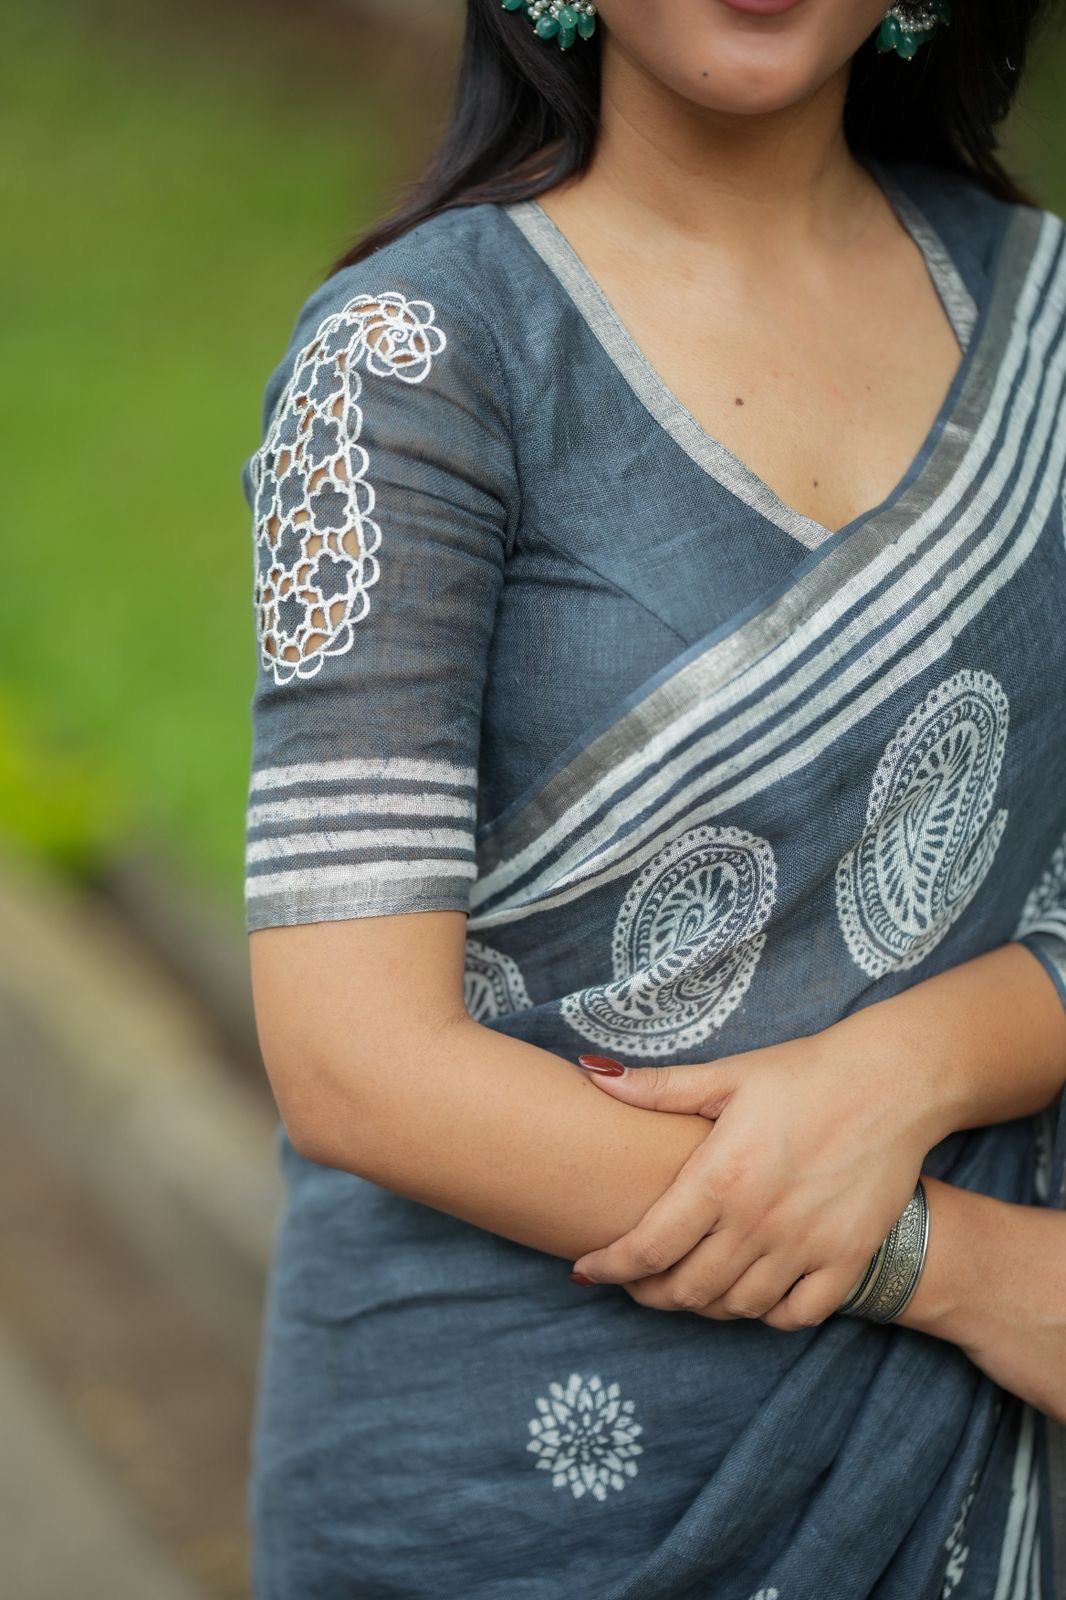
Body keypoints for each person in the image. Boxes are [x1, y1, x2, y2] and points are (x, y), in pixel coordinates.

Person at [240, 0, 1066, 1594]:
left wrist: (907, 1064)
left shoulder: (1050, 338)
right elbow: (356, 1062)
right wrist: (951, 1263)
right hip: (500, 1483)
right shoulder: (412, 360)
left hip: (952, 1469)